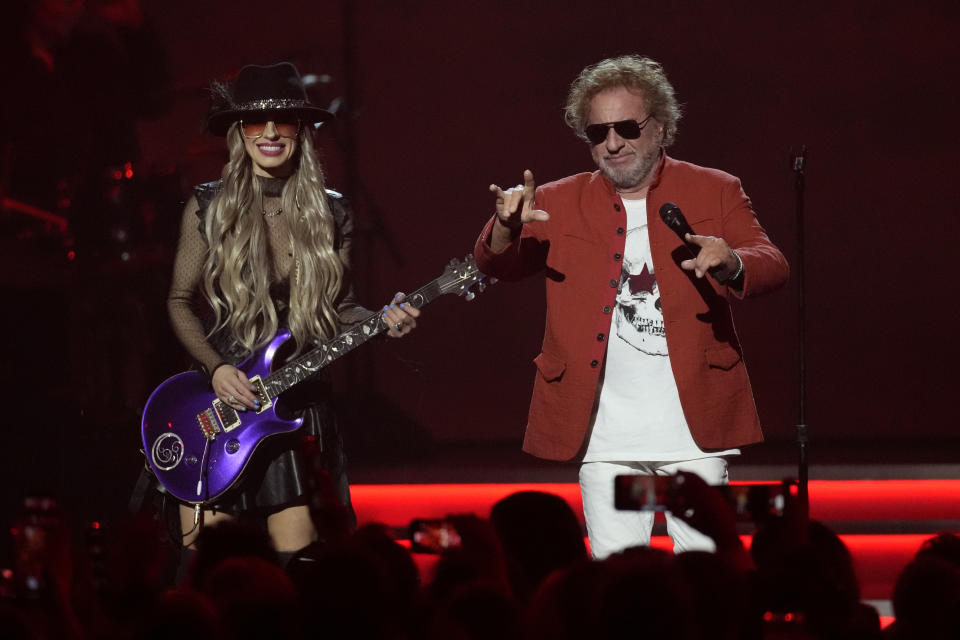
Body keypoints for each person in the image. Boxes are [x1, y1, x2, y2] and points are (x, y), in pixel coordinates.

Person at [474, 55, 788, 559]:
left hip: (693, 436)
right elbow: (499, 265)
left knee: (707, 572)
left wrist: (730, 261)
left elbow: (771, 262)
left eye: (625, 127)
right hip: (605, 440)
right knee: (618, 583)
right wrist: (507, 226)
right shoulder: (558, 200)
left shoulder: (716, 187)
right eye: (598, 133)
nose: (613, 143)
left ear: (661, 126)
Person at [165, 62, 419, 562]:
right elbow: (178, 301)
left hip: (291, 403)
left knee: (300, 566)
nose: (272, 133)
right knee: (211, 569)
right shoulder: (207, 207)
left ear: (302, 130)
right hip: (217, 406)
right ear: (240, 131)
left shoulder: (333, 212)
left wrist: (382, 323)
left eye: (285, 121)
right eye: (257, 122)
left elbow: (337, 309)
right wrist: (214, 369)